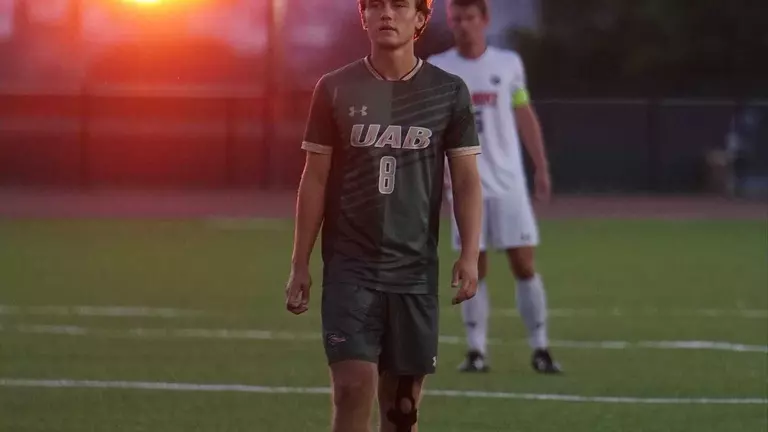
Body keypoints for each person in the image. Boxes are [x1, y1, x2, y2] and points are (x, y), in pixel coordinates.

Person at [284, 0, 484, 430]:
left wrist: (470, 254)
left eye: (399, 5)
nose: (386, 14)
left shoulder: (448, 91)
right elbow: (314, 179)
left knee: (403, 410)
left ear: (421, 18)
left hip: (413, 272)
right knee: (353, 388)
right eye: (375, 5)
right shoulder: (335, 87)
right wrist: (300, 261)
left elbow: (466, 181)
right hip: (350, 269)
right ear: (363, 17)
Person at [428, 0, 562, 374]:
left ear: (484, 20)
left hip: (508, 184)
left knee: (524, 263)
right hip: (465, 186)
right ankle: (476, 351)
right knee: (474, 267)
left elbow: (523, 112)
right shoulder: (440, 68)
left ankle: (540, 347)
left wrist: (541, 166)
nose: (463, 26)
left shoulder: (508, 64)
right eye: (456, 19)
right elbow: (433, 129)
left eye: (470, 18)